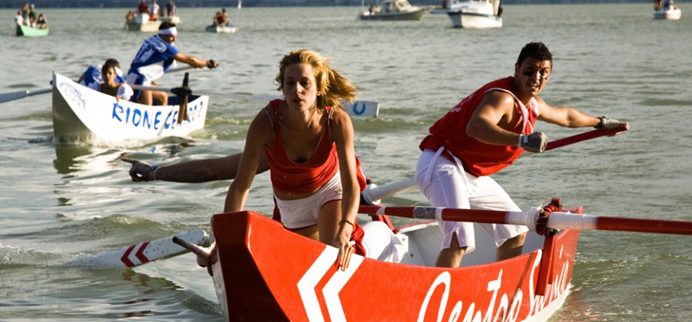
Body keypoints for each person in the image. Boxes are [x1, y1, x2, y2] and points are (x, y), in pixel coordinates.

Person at [415, 41, 629, 268]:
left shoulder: (534, 103)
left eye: (543, 73)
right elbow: (476, 127)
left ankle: (499, 295)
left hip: (471, 174)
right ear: (516, 69)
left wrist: (601, 123)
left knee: (515, 231)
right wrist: (522, 140)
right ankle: (441, 298)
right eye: (529, 71)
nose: (536, 78)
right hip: (443, 164)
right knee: (459, 239)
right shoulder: (503, 97)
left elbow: (566, 116)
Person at [195, 49, 403, 271]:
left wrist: (346, 227)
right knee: (298, 265)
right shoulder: (265, 123)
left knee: (332, 257)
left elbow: (351, 184)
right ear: (282, 88)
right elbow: (240, 187)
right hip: (291, 206)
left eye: (305, 83)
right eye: (290, 83)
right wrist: (224, 241)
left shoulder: (338, 120)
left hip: (330, 192)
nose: (297, 90)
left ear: (320, 88)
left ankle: (385, 240)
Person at [126, 22, 219, 106]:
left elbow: (146, 64)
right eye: (171, 36)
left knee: (163, 96)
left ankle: (164, 122)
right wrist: (207, 63)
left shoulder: (153, 39)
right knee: (147, 107)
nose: (174, 39)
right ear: (163, 35)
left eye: (175, 36)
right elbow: (191, 60)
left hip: (133, 75)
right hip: (140, 79)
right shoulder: (166, 48)